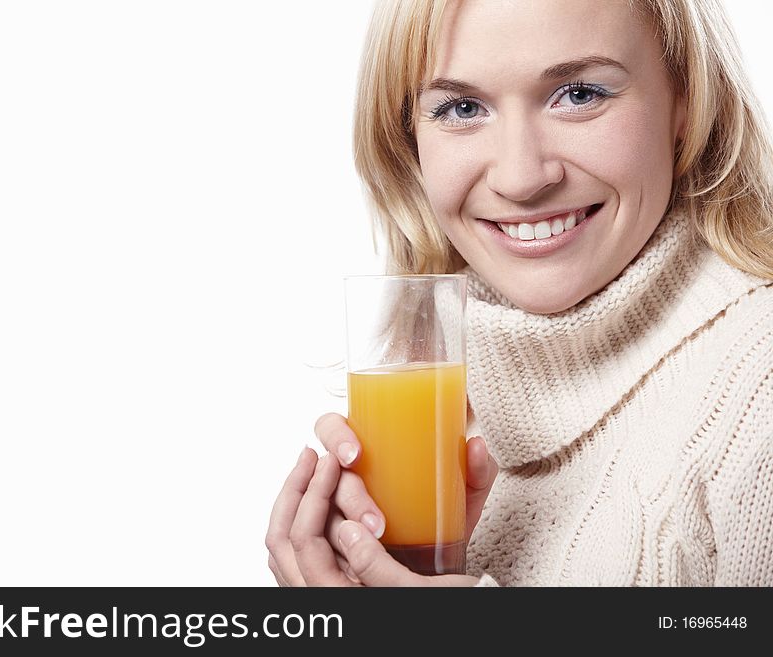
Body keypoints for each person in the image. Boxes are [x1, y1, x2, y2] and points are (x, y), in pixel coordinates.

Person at [266, 0, 773, 586]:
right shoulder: (427, 408)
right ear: (407, 137)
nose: (520, 176)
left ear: (687, 101)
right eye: (461, 107)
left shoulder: (757, 383)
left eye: (580, 94)